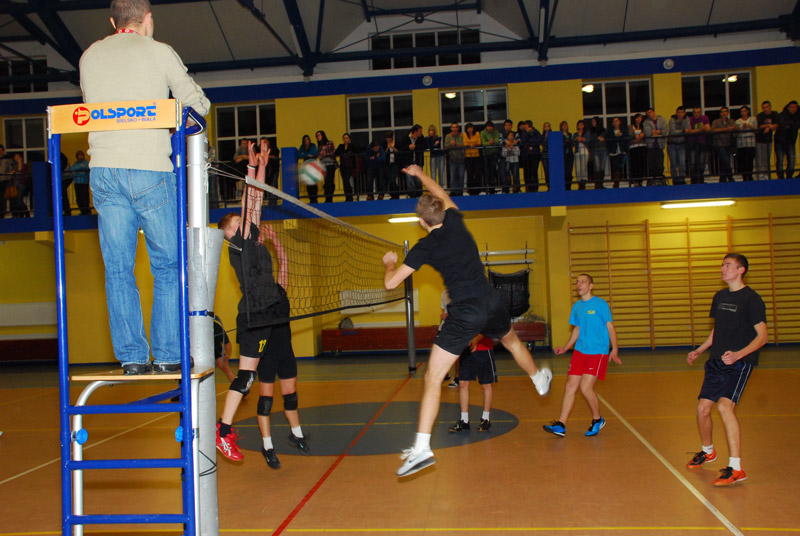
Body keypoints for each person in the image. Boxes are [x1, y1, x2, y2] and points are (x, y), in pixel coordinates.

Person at [382, 164, 552, 478]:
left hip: (465, 312)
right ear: (442, 211)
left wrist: (390, 264)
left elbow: (391, 284)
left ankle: (422, 449)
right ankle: (539, 378)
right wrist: (420, 174)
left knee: (433, 378)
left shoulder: (425, 246)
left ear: (421, 222)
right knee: (512, 340)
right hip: (491, 300)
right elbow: (441, 193)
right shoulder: (455, 220)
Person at [79, 0, 210, 375]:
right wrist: (171, 130)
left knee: (118, 269)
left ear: (112, 21)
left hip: (104, 170)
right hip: (149, 169)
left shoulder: (89, 56)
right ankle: (168, 354)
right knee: (167, 266)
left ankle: (132, 358)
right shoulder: (159, 51)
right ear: (148, 19)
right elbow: (198, 106)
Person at [216, 139, 309, 468]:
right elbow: (249, 200)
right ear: (230, 233)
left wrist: (264, 166)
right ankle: (223, 431)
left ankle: (224, 430)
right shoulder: (237, 246)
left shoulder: (252, 241)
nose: (247, 222)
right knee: (246, 378)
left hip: (267, 313)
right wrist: (252, 166)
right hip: (254, 314)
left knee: (248, 379)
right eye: (239, 223)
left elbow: (256, 201)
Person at [686, 253, 767, 487]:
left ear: (741, 270)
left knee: (724, 406)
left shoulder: (752, 299)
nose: (723, 268)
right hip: (716, 362)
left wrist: (739, 354)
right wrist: (700, 349)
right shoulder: (720, 296)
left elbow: (762, 337)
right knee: (702, 409)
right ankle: (708, 451)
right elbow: (717, 330)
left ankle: (736, 468)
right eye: (722, 265)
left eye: (729, 265)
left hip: (739, 363)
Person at [544, 273, 620, 437]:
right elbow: (577, 329)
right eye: (577, 282)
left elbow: (610, 327)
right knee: (570, 386)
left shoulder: (600, 304)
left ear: (591, 286)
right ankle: (561, 425)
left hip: (597, 352)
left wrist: (614, 348)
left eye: (583, 282)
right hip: (580, 351)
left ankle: (597, 419)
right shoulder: (577, 307)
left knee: (585, 388)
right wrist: (566, 348)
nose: (579, 284)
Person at [448, 333, 497, 433]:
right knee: (463, 383)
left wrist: (475, 340)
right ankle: (464, 420)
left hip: (483, 348)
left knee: (486, 384)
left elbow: (487, 328)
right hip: (466, 348)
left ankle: (485, 419)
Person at [774, 100, 800, 179]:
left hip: (791, 141)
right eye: (792, 107)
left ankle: (789, 177)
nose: (793, 109)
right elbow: (782, 124)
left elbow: (797, 124)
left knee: (791, 160)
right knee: (780, 160)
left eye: (795, 107)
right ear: (788, 107)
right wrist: (793, 123)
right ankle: (781, 177)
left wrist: (790, 124)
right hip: (779, 141)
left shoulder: (798, 115)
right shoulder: (782, 114)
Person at [711, 107, 736, 182]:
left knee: (724, 162)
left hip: (729, 143)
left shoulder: (731, 121)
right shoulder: (716, 121)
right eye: (722, 112)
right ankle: (730, 177)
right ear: (720, 113)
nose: (723, 113)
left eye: (725, 111)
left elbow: (734, 129)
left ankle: (722, 178)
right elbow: (712, 130)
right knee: (726, 160)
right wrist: (725, 129)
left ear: (727, 113)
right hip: (719, 144)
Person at [756, 100, 779, 180]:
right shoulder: (760, 116)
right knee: (760, 159)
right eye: (764, 108)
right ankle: (760, 175)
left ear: (770, 107)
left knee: (767, 159)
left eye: (767, 107)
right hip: (760, 140)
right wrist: (769, 126)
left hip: (769, 140)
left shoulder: (775, 114)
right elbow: (760, 126)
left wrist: (769, 127)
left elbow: (776, 124)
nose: (765, 109)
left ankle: (766, 175)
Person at [667, 106, 690, 185]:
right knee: (673, 164)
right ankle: (675, 180)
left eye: (682, 112)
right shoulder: (672, 120)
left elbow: (688, 130)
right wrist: (683, 131)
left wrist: (682, 130)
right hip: (671, 144)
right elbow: (672, 132)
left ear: (684, 113)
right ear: (676, 113)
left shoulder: (686, 120)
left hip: (682, 144)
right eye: (678, 113)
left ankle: (681, 180)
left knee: (682, 163)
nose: (680, 114)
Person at [687, 107, 710, 184]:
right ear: (693, 113)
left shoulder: (705, 118)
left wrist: (695, 130)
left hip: (702, 143)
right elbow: (689, 131)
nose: (696, 114)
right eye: (695, 112)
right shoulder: (689, 119)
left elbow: (708, 129)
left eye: (698, 112)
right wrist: (700, 129)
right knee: (692, 163)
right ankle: (694, 180)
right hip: (692, 143)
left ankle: (700, 179)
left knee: (702, 163)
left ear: (700, 112)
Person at [734, 106, 757, 181]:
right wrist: (741, 129)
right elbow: (735, 134)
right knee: (742, 161)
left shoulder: (753, 119)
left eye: (744, 111)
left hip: (751, 144)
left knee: (750, 160)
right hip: (741, 144)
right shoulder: (737, 121)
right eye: (742, 112)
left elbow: (756, 131)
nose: (743, 113)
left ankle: (750, 176)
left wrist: (750, 126)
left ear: (748, 111)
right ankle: (744, 176)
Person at [335, 133, 357, 202]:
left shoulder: (352, 146)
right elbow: (336, 153)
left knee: (347, 181)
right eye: (344, 138)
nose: (345, 139)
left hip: (349, 166)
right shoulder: (341, 146)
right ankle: (347, 197)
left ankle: (350, 196)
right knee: (344, 182)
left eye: (346, 138)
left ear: (349, 139)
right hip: (343, 166)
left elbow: (355, 154)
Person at [316, 130, 337, 203]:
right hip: (323, 165)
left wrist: (323, 154)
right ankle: (327, 197)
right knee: (326, 182)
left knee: (330, 181)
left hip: (330, 164)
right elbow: (319, 155)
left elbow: (332, 151)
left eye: (319, 135)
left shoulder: (329, 142)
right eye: (317, 136)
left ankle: (330, 197)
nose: (318, 137)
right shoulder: (319, 145)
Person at [444, 122, 465, 196]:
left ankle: (460, 192)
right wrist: (450, 144)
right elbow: (446, 146)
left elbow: (463, 144)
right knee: (453, 176)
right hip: (452, 159)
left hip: (461, 159)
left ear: (458, 128)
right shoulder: (448, 136)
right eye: (453, 127)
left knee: (461, 176)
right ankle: (453, 192)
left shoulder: (462, 135)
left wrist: (456, 144)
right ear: (451, 128)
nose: (454, 128)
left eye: (456, 127)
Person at [213, 313, 235, 383]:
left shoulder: (216, 326)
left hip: (215, 352)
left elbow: (227, 344)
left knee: (224, 365)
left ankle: (238, 386)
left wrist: (227, 355)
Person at [297, 134, 318, 202]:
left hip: (313, 165)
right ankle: (311, 199)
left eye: (307, 139)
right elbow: (298, 154)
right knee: (308, 183)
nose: (306, 141)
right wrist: (307, 155)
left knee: (314, 182)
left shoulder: (313, 145)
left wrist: (307, 155)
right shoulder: (302, 147)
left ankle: (315, 198)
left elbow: (315, 153)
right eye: (305, 140)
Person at [71, 150, 91, 215]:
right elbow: (72, 169)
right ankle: (82, 211)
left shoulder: (86, 162)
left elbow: (86, 169)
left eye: (81, 155)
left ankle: (87, 211)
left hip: (84, 182)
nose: (80, 156)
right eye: (78, 155)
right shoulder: (76, 163)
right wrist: (80, 168)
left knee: (84, 197)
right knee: (78, 198)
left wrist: (77, 172)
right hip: (77, 182)